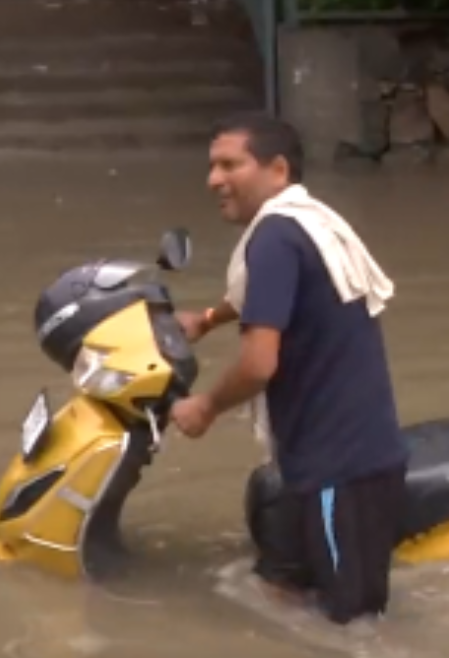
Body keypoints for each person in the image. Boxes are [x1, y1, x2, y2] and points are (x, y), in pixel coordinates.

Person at [168, 113, 410, 624]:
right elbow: (274, 295)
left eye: (230, 164)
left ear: (277, 170)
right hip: (360, 454)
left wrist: (205, 408)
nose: (213, 179)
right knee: (314, 599)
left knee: (354, 628)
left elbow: (258, 365)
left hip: (337, 470)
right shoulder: (308, 223)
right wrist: (209, 320)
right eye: (212, 166)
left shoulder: (274, 238)